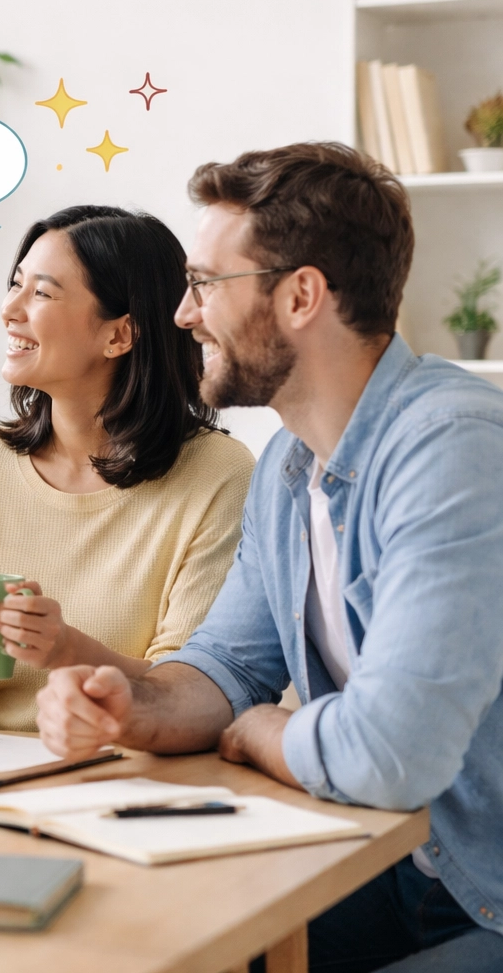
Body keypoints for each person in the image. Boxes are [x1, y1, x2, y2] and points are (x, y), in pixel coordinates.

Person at [35, 143, 503, 972]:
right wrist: (133, 706)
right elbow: (221, 669)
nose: (183, 314)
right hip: (400, 865)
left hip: (485, 892)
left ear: (301, 295)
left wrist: (264, 731)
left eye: (205, 284)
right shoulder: (288, 472)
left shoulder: (452, 447)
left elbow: (389, 756)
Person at [0, 205, 254, 732]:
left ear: (119, 336)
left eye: (40, 293)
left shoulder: (218, 475)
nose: (9, 310)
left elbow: (192, 687)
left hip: (136, 774)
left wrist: (64, 648)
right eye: (15, 284)